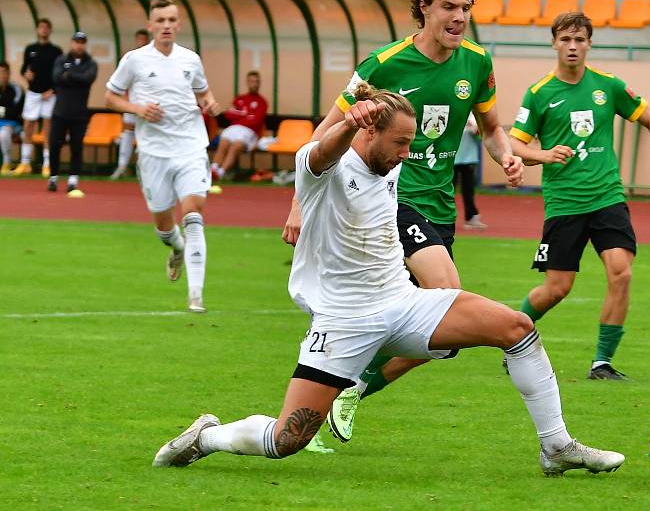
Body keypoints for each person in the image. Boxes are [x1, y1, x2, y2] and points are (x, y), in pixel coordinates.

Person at [152, 83, 625, 477]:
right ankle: (207, 436)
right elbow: (321, 153)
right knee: (288, 437)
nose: (406, 153)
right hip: (343, 319)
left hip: (401, 302)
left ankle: (557, 446)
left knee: (517, 328)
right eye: (399, 142)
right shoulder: (322, 168)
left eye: (409, 142)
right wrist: (347, 122)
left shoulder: (389, 164)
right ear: (368, 131)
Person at [282, 0, 524, 446]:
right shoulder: (383, 63)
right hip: (392, 200)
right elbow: (324, 131)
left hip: (440, 207)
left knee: (440, 340)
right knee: (448, 295)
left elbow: (493, 127)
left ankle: (349, 383)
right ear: (424, 7)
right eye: (449, 7)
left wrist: (507, 156)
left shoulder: (477, 62)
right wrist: (299, 204)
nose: (458, 17)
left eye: (466, 8)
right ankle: (342, 377)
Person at [509, 11, 650, 381]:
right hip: (564, 204)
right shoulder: (539, 93)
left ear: (588, 44)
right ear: (554, 43)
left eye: (579, 40)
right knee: (556, 289)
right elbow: (513, 143)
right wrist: (543, 155)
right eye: (565, 39)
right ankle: (512, 338)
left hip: (607, 198)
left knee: (621, 273)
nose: (572, 46)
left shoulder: (608, 86)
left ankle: (602, 362)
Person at [105, 0, 221, 313]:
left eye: (172, 20)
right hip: (154, 153)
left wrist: (209, 102)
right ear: (151, 25)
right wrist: (137, 108)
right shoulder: (134, 60)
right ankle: (176, 248)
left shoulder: (190, 59)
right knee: (164, 227)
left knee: (194, 215)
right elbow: (111, 96)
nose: (167, 26)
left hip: (191, 147)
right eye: (161, 21)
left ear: (179, 24)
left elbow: (203, 92)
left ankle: (195, 295)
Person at [46, 32, 98, 194]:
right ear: (71, 43)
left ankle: (73, 179)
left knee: (77, 147)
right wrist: (75, 77)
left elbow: (88, 78)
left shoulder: (91, 63)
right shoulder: (61, 59)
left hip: (80, 114)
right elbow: (56, 77)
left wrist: (69, 75)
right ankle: (53, 177)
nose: (79, 45)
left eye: (82, 42)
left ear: (85, 44)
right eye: (77, 42)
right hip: (60, 112)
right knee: (55, 145)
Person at [12, 17, 62, 177]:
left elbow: (60, 74)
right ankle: (25, 162)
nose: (44, 30)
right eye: (41, 27)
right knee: (28, 126)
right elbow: (23, 69)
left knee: (48, 128)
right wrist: (26, 74)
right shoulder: (30, 49)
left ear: (50, 30)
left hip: (49, 94)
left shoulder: (56, 51)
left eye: (46, 27)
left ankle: (47, 164)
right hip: (33, 93)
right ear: (37, 30)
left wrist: (53, 90)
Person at [210, 70, 268, 182]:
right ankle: (213, 170)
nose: (254, 84)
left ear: (259, 83)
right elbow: (228, 114)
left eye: (256, 81)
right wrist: (246, 115)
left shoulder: (262, 102)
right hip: (233, 128)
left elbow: (256, 121)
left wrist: (239, 114)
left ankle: (221, 173)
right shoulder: (240, 98)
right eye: (251, 81)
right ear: (247, 82)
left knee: (236, 146)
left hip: (249, 132)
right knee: (224, 142)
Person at [110, 29, 151, 180]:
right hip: (131, 105)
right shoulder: (130, 58)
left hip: (148, 106)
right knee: (127, 134)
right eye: (139, 39)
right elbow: (121, 84)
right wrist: (126, 100)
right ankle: (122, 166)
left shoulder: (153, 59)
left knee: (146, 135)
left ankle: (145, 169)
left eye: (144, 39)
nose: (141, 42)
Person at [453, 113, 486, 229]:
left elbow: (480, 133)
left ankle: (471, 217)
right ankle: (444, 217)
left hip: (469, 158)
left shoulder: (472, 115)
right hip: (451, 159)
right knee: (448, 189)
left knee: (468, 189)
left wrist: (472, 126)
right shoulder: (452, 113)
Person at [0, 61, 25, 174]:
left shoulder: (17, 89)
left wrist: (4, 112)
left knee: (4, 132)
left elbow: (14, 112)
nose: (2, 75)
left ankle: (6, 163)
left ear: (9, 74)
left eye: (4, 72)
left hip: (14, 125)